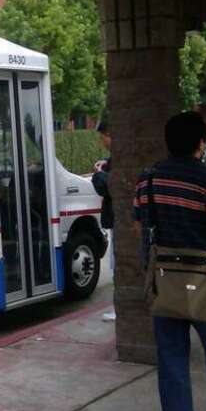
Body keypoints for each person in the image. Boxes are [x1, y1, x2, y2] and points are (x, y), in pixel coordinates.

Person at [133, 111, 206, 411]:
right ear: (200, 143)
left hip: (165, 278)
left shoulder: (149, 178)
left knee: (171, 356)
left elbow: (140, 226)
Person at [92, 120, 116, 321]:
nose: (102, 142)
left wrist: (99, 175)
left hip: (118, 219)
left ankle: (119, 308)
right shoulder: (116, 158)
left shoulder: (119, 160)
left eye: (102, 138)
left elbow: (108, 186)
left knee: (117, 265)